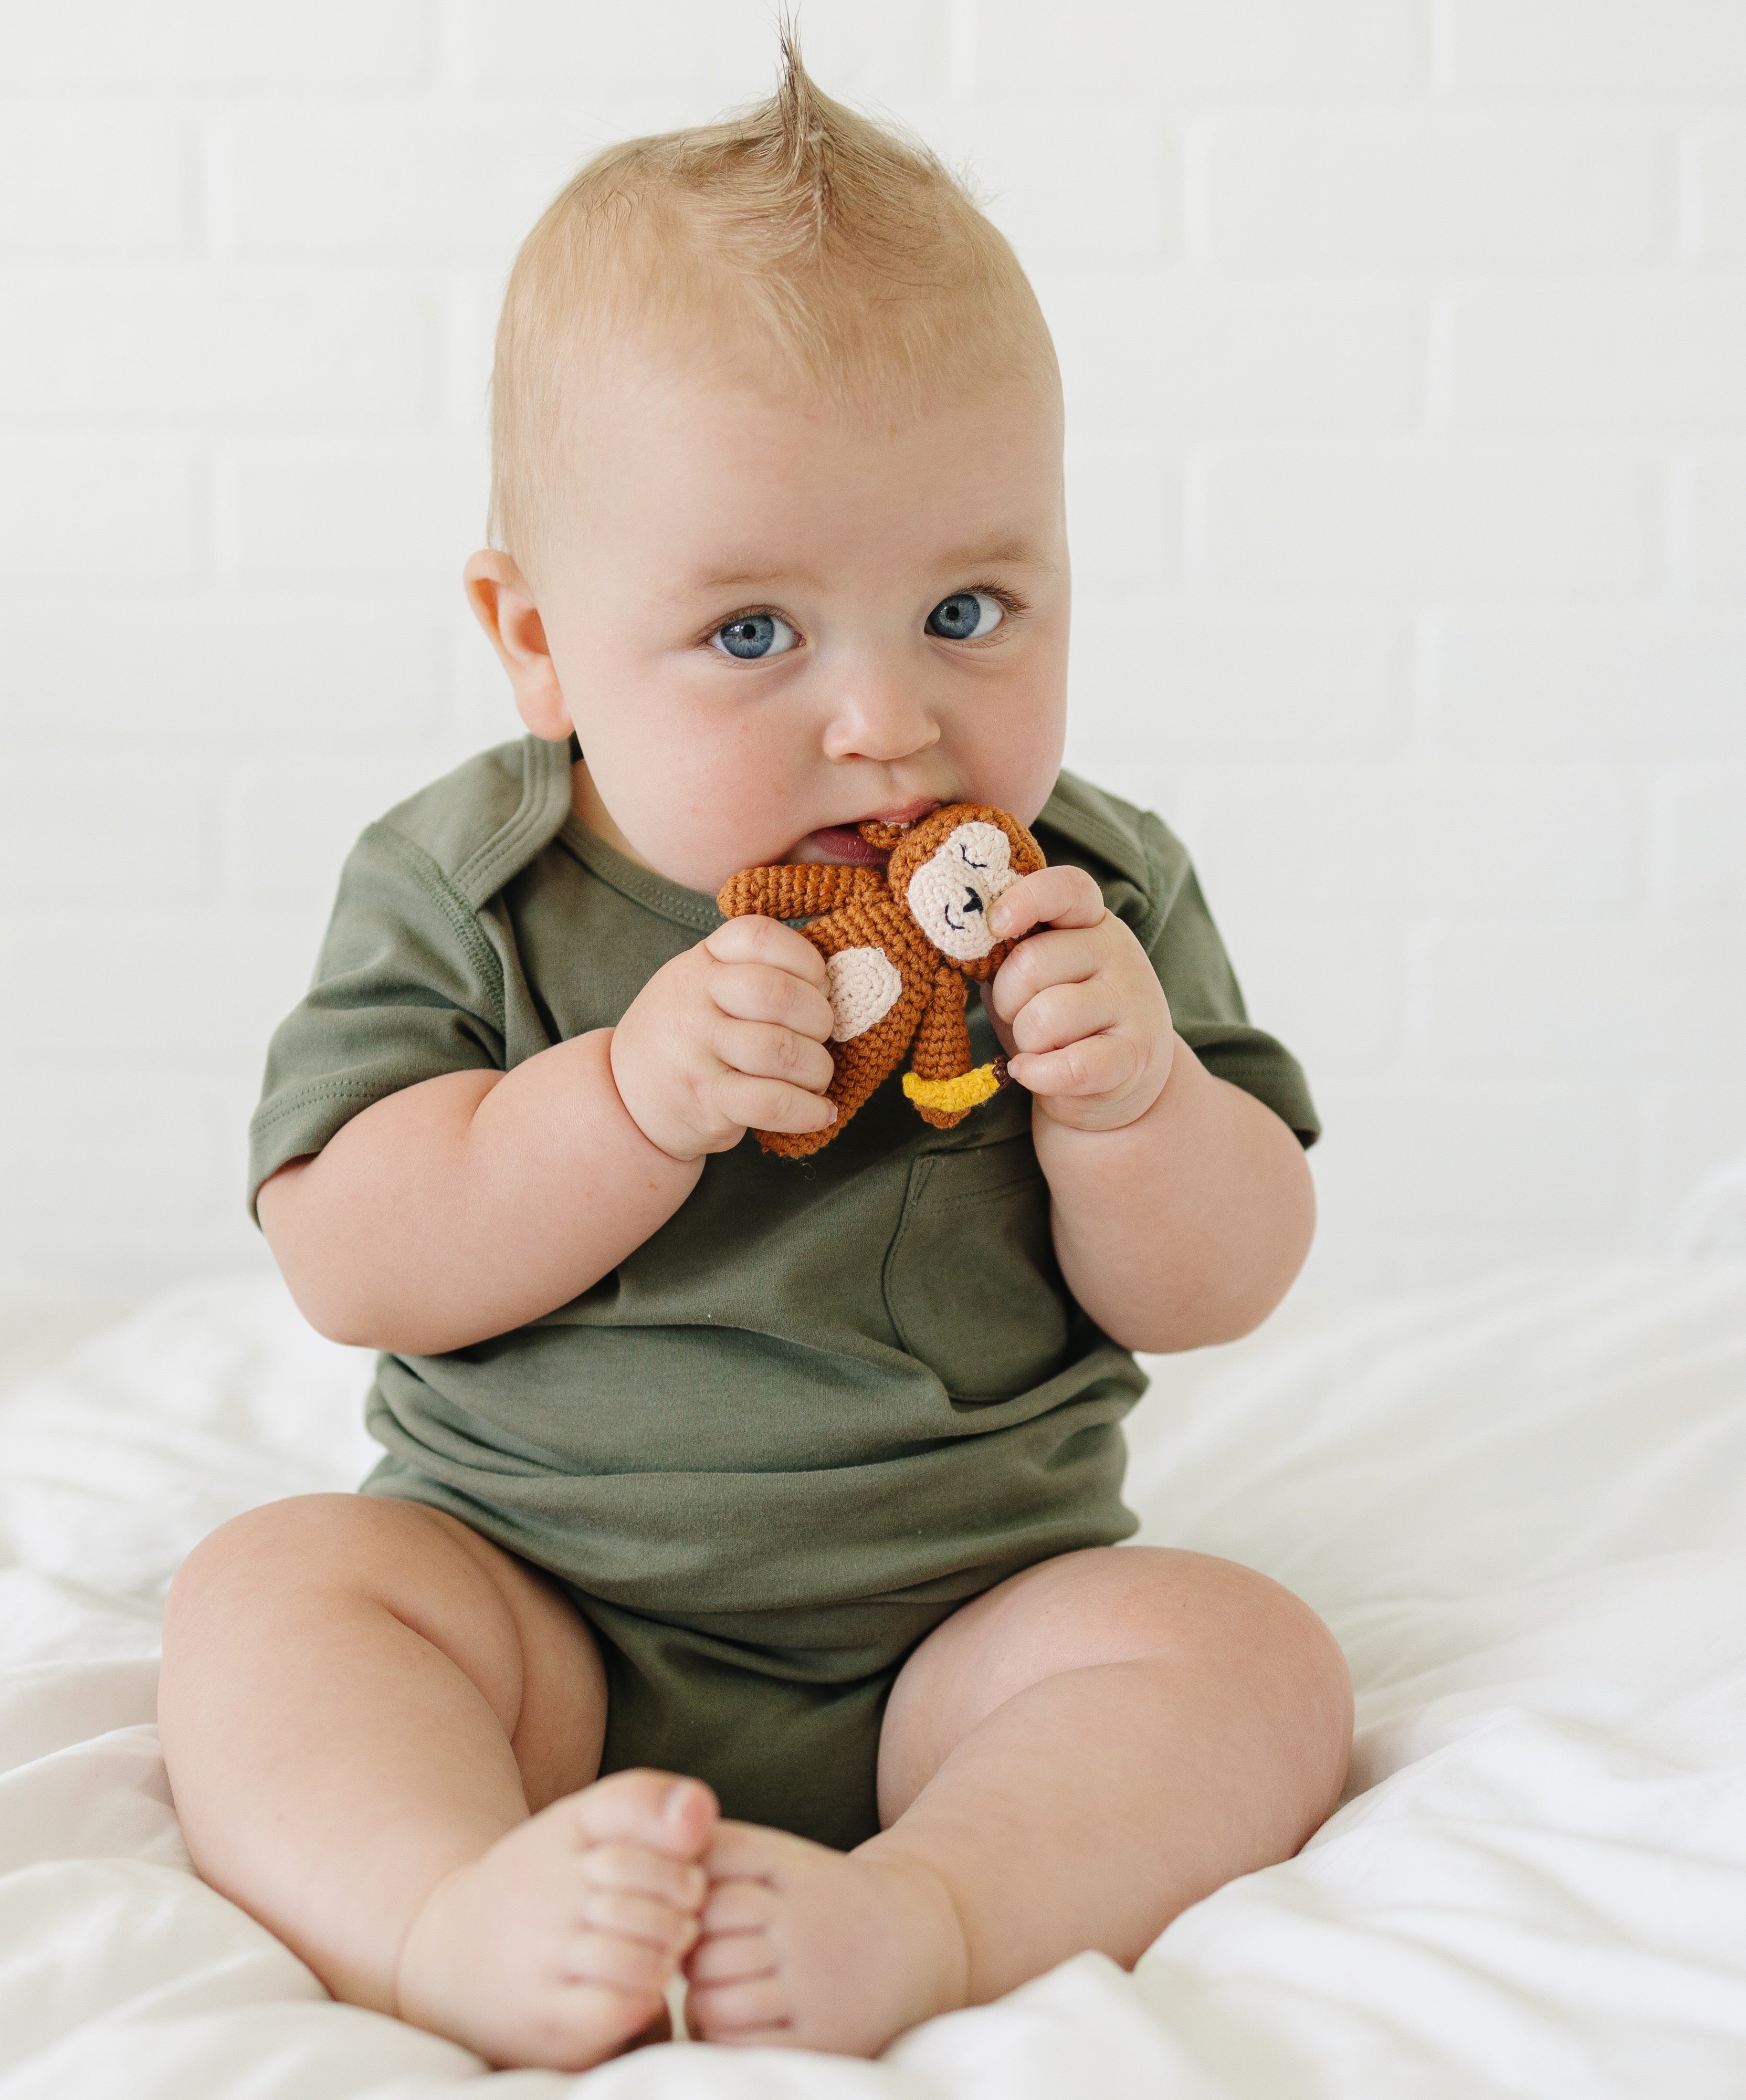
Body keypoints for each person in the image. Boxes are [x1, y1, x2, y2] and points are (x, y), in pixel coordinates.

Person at [158, 40, 1352, 2073]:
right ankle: (444, 1908)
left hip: (961, 1633)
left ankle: (932, 1902)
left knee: (1249, 1662)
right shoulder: (476, 884)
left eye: (968, 607)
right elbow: (350, 1251)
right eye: (752, 635)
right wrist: (625, 1100)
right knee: (269, 1596)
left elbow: (1223, 1279)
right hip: (533, 1608)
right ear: (533, 636)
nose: (885, 721)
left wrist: (1135, 1106)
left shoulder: (1090, 894)